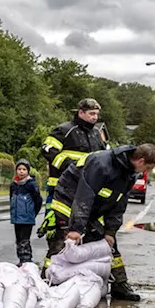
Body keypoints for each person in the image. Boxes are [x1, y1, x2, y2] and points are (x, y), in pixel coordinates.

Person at [43, 143, 155, 302]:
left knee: (108, 245)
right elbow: (84, 195)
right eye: (148, 167)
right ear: (141, 161)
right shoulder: (101, 163)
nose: (146, 172)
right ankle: (45, 281)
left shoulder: (129, 173)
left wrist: (110, 232)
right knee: (62, 243)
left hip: (91, 207)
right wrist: (76, 228)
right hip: (69, 201)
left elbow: (119, 203)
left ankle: (120, 284)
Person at [39, 98, 107, 259]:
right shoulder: (63, 130)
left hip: (86, 190)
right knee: (57, 229)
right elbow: (47, 150)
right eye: (91, 114)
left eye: (96, 114)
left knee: (86, 229)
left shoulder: (96, 135)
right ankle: (52, 268)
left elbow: (103, 158)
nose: (95, 118)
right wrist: (71, 168)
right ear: (80, 112)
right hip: (60, 188)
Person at [9, 160, 43, 264]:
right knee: (18, 240)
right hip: (16, 218)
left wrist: (32, 213)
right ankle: (21, 260)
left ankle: (26, 260)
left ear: (28, 171)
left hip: (27, 219)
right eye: (19, 169)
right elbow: (11, 198)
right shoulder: (13, 185)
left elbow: (38, 200)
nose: (21, 172)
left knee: (24, 240)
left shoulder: (31, 185)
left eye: (24, 169)